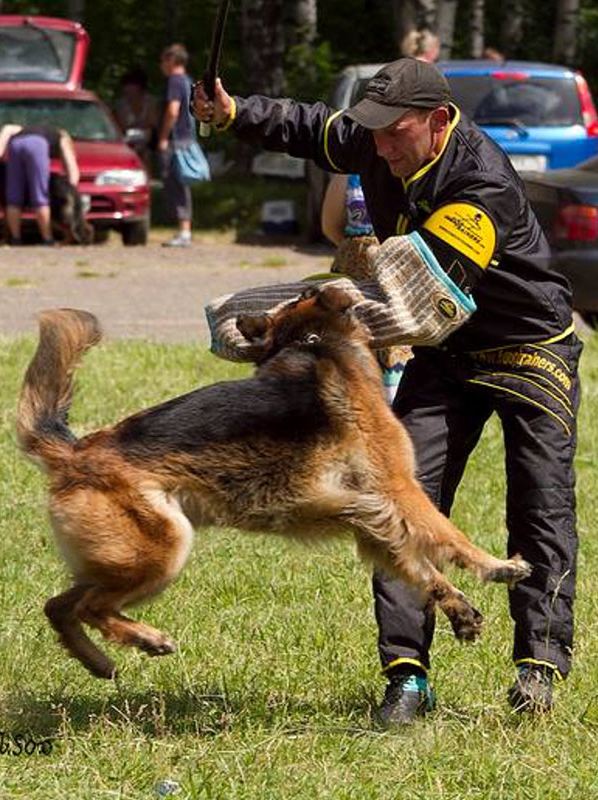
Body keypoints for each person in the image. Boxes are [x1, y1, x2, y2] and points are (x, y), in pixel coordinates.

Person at [192, 57, 581, 724]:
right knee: (397, 500)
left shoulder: (477, 186)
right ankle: (407, 676)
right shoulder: (380, 134)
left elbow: (412, 303)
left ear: (437, 122)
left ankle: (538, 666)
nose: (377, 146)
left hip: (526, 348)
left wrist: (287, 321)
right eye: (372, 132)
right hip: (447, 352)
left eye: (392, 133)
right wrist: (234, 114)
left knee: (539, 505)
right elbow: (313, 127)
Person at [321, 172, 412, 403]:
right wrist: (361, 253)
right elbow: (331, 226)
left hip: (403, 275)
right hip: (356, 275)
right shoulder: (349, 172)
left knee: (398, 342)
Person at [0, 124, 80, 245]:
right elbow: (72, 169)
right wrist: (71, 189)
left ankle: (15, 238)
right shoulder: (62, 137)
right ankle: (47, 238)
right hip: (37, 145)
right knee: (40, 194)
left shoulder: (20, 129)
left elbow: (3, 140)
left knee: (13, 197)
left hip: (15, 144)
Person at [158, 43, 195, 248]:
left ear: (172, 60)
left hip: (176, 140)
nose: (161, 64)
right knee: (182, 184)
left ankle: (184, 231)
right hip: (187, 137)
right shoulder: (188, 81)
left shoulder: (174, 81)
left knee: (176, 184)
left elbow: (173, 111)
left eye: (163, 60)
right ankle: (184, 229)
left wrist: (163, 138)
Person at [114, 67, 160, 172]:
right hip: (127, 138)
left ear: (139, 86)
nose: (127, 89)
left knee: (146, 151)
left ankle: (147, 176)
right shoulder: (121, 105)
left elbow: (152, 123)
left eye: (131, 86)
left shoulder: (151, 102)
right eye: (126, 86)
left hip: (149, 138)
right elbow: (120, 126)